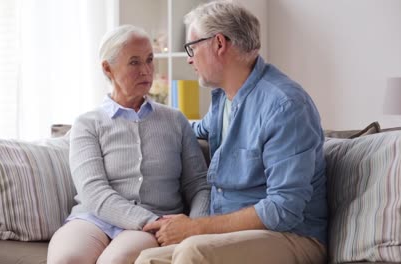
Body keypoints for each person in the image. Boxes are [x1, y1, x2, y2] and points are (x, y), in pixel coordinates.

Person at [136, 1, 327, 264]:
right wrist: (128, 126)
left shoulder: (285, 106)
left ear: (218, 44)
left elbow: (284, 209)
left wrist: (196, 227)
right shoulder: (222, 102)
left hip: (293, 237)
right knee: (145, 258)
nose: (190, 58)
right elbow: (185, 131)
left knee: (194, 252)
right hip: (230, 238)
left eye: (192, 47)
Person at [47, 25, 210, 264]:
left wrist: (193, 228)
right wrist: (146, 220)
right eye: (134, 62)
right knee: (66, 259)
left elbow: (198, 184)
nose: (146, 70)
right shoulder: (87, 124)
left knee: (115, 261)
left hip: (152, 225)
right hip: (95, 219)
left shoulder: (175, 120)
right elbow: (93, 191)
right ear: (107, 68)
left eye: (150, 60)